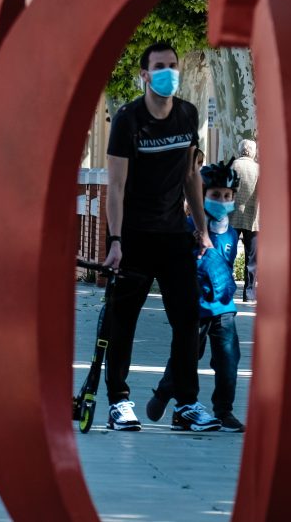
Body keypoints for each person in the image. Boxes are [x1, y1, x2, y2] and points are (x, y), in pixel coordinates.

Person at [101, 42, 220, 432]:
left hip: (173, 236)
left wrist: (202, 231)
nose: (168, 72)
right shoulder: (127, 119)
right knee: (123, 322)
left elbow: (190, 176)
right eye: (159, 66)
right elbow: (115, 187)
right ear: (145, 75)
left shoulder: (187, 114)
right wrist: (115, 241)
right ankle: (119, 401)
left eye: (173, 65)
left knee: (187, 321)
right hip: (133, 236)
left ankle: (186, 405)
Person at [147, 160, 246, 432]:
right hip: (194, 308)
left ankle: (224, 411)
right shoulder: (188, 228)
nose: (222, 200)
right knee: (186, 357)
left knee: (228, 359)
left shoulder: (232, 233)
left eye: (228, 196)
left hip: (224, 309)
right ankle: (165, 392)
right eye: (215, 195)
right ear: (201, 196)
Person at [232, 140, 260, 301]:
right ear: (253, 152)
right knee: (251, 258)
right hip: (254, 218)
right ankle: (248, 293)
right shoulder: (259, 169)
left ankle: (225, 290)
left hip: (231, 217)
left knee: (228, 254)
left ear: (240, 150)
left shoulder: (231, 166)